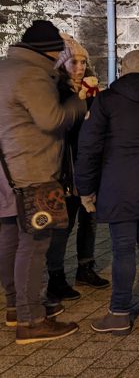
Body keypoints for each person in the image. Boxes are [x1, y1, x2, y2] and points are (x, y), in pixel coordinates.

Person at [75, 50, 139, 335]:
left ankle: (119, 312)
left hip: (120, 181)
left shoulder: (108, 100)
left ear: (124, 68)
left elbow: (89, 147)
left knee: (123, 248)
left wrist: (85, 189)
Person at [0, 20, 86, 344]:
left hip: (9, 167)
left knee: (10, 236)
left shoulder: (6, 68)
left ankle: (16, 307)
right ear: (50, 51)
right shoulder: (33, 74)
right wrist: (78, 104)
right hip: (33, 169)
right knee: (34, 245)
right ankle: (31, 320)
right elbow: (51, 119)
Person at [46, 35, 109, 303]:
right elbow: (61, 127)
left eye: (83, 62)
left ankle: (85, 266)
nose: (80, 67)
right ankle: (56, 277)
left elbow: (96, 126)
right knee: (64, 224)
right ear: (63, 63)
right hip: (66, 166)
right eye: (74, 61)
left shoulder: (90, 89)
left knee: (90, 219)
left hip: (89, 163)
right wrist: (79, 98)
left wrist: (97, 100)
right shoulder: (56, 91)